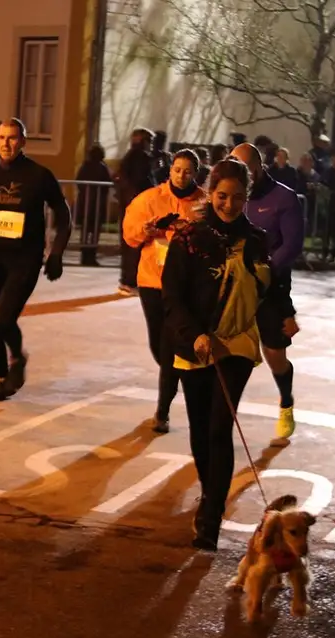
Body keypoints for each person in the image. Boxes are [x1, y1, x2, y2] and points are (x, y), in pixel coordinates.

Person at [161, 158, 285, 551]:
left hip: (236, 342)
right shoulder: (188, 238)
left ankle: (210, 515)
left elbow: (270, 286)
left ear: (247, 197)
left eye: (236, 198)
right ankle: (209, 491)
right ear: (210, 194)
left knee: (219, 426)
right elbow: (172, 295)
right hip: (193, 343)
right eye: (221, 196)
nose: (229, 205)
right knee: (200, 429)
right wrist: (194, 334)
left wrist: (284, 315)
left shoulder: (256, 239)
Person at [0, 118, 72, 401]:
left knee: (3, 318)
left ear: (22, 141)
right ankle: (2, 378)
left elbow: (63, 212)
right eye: (1, 137)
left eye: (12, 138)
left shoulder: (38, 175)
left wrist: (57, 252)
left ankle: (17, 359)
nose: (6, 144)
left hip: (25, 260)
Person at [123, 149, 206, 433]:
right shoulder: (150, 199)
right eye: (177, 170)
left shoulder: (203, 203)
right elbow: (129, 234)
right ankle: (176, 378)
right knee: (159, 349)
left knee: (171, 345)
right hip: (152, 281)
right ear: (170, 170)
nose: (182, 176)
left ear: (197, 172)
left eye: (188, 171)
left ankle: (162, 411)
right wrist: (146, 230)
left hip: (185, 287)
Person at [230, 143, 303, 443]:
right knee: (232, 353)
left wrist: (264, 271)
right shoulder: (228, 194)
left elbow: (292, 244)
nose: (241, 178)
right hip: (233, 286)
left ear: (259, 169)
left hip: (270, 287)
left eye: (247, 171)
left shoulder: (284, 198)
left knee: (273, 354)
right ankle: (224, 415)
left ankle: (286, 401)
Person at [115, 128, 157, 296]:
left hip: (128, 207)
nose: (151, 146)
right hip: (138, 207)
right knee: (136, 244)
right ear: (143, 141)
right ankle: (131, 281)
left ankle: (127, 280)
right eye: (150, 141)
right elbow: (144, 182)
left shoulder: (127, 158)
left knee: (128, 244)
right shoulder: (141, 158)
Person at [74, 143, 113, 267]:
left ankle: (85, 256)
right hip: (96, 205)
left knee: (85, 231)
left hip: (85, 204)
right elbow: (108, 183)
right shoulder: (102, 167)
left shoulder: (85, 165)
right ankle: (91, 256)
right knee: (94, 232)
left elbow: (78, 181)